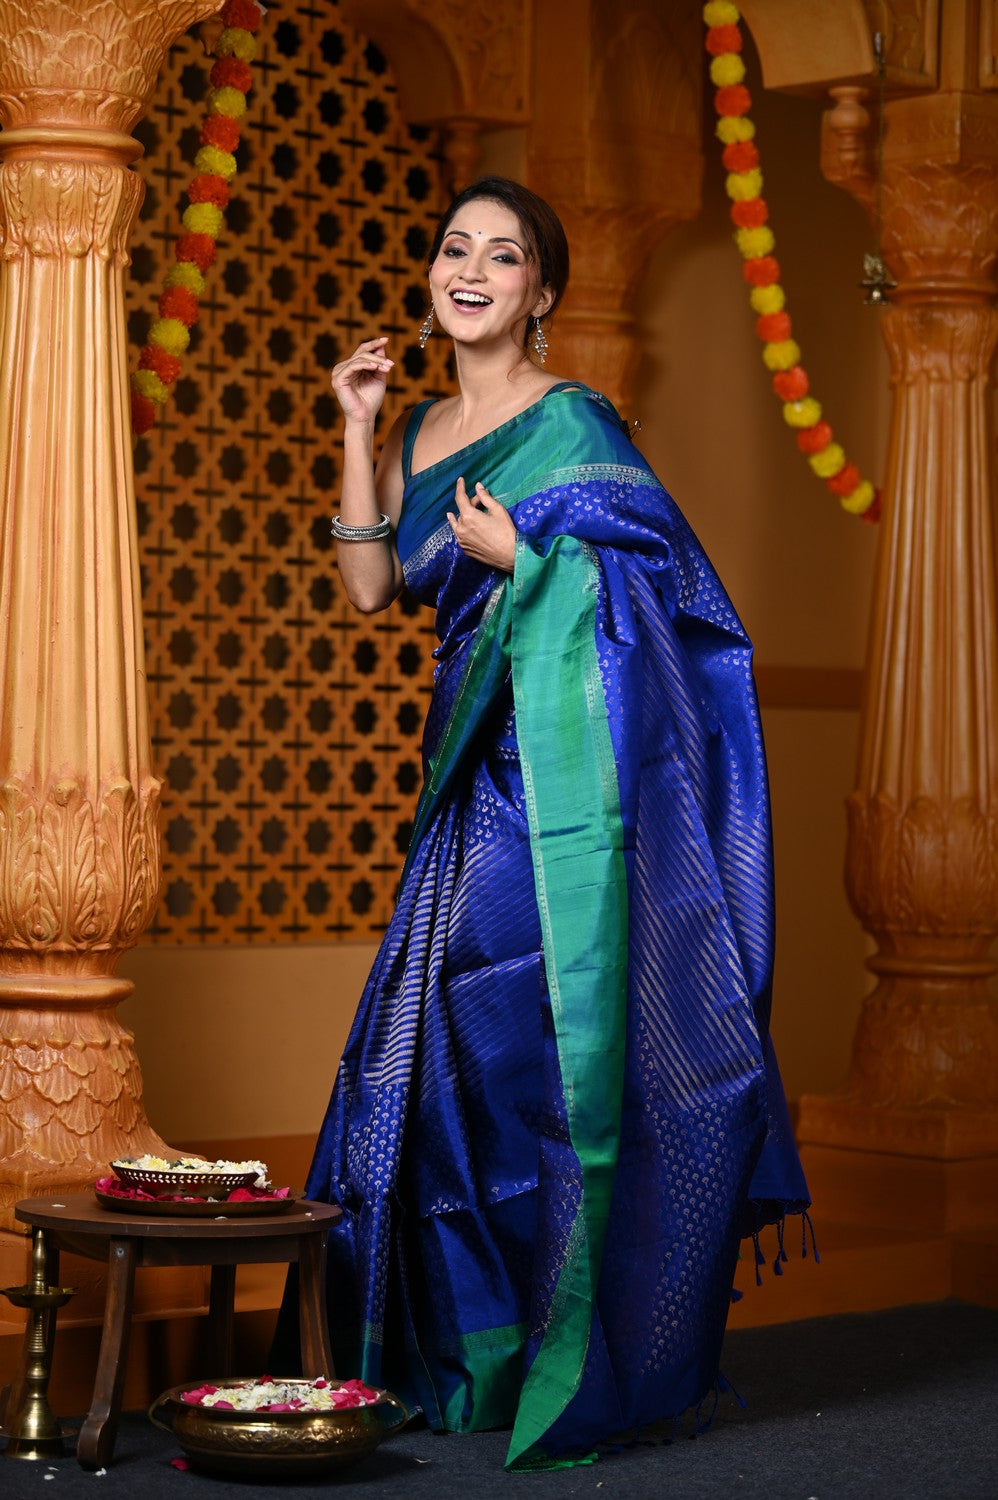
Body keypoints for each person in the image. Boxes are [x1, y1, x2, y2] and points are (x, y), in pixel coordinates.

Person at [297, 176, 810, 1470]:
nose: (471, 269)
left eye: (503, 254)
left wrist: (522, 564)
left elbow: (666, 598)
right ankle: (466, 1350)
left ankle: (572, 1345)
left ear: (542, 291)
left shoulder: (573, 422)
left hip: (567, 787)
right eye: (453, 249)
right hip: (466, 779)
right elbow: (370, 587)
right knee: (439, 1065)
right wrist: (357, 426)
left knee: (554, 1057)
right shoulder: (420, 427)